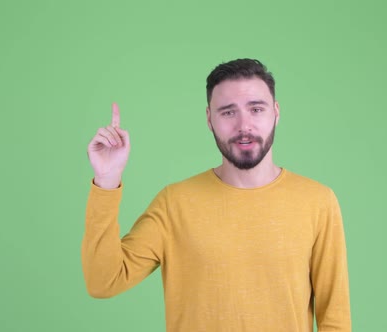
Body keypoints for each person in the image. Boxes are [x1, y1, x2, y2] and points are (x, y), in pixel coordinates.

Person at [82, 58, 351, 332]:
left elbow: (335, 320)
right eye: (228, 112)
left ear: (276, 113)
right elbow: (104, 281)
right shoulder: (174, 203)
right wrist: (106, 180)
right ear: (210, 119)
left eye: (256, 109)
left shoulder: (317, 202)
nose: (244, 125)